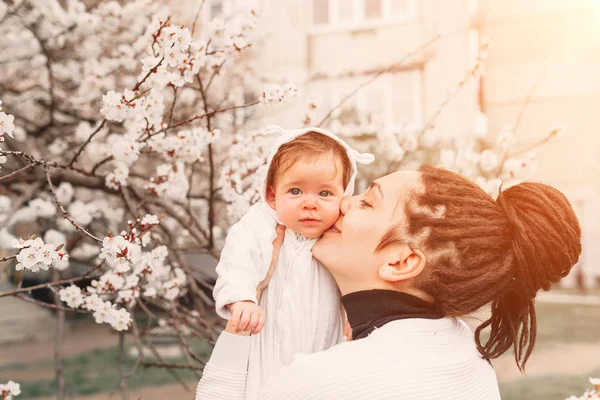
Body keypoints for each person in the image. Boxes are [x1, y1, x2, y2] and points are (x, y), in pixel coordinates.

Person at [196, 165, 582, 400]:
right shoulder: (468, 363)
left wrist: (240, 327)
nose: (344, 202)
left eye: (367, 202)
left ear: (402, 261)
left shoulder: (324, 382)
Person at [211, 125, 374, 399]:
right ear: (273, 195)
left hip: (323, 345)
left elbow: (358, 272)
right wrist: (242, 298)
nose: (310, 204)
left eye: (325, 194)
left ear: (343, 197)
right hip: (268, 345)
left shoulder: (339, 235)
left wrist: (357, 312)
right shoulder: (262, 223)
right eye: (296, 191)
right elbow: (238, 257)